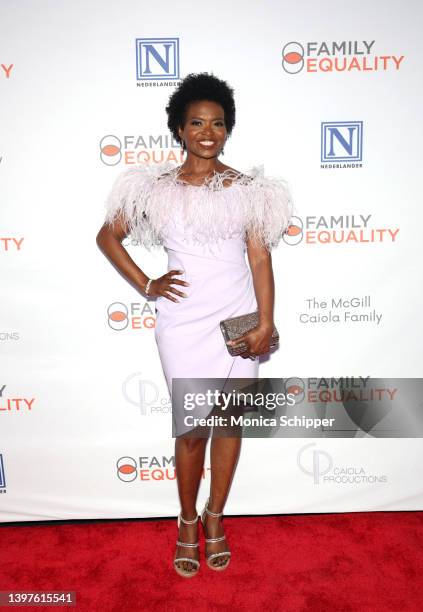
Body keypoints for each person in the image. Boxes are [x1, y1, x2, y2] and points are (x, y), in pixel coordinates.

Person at [96, 73, 293, 577]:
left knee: (229, 423)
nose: (209, 132)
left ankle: (215, 517)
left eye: (218, 124)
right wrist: (147, 284)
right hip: (183, 323)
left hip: (237, 318)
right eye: (197, 123)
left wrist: (265, 322)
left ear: (228, 130)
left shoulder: (248, 190)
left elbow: (260, 260)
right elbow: (108, 236)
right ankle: (186, 520)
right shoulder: (156, 190)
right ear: (179, 129)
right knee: (191, 432)